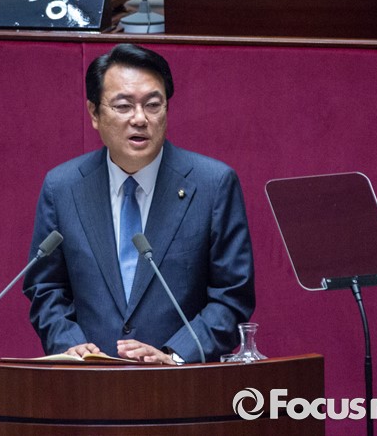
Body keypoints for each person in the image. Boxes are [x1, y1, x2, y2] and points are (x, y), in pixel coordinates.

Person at [23, 43, 254, 364]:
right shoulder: (63, 188)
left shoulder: (213, 185)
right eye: (123, 106)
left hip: (182, 383)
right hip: (88, 380)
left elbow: (232, 295)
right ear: (94, 113)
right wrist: (71, 346)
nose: (140, 118)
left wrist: (175, 355)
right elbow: (45, 287)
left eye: (153, 105)